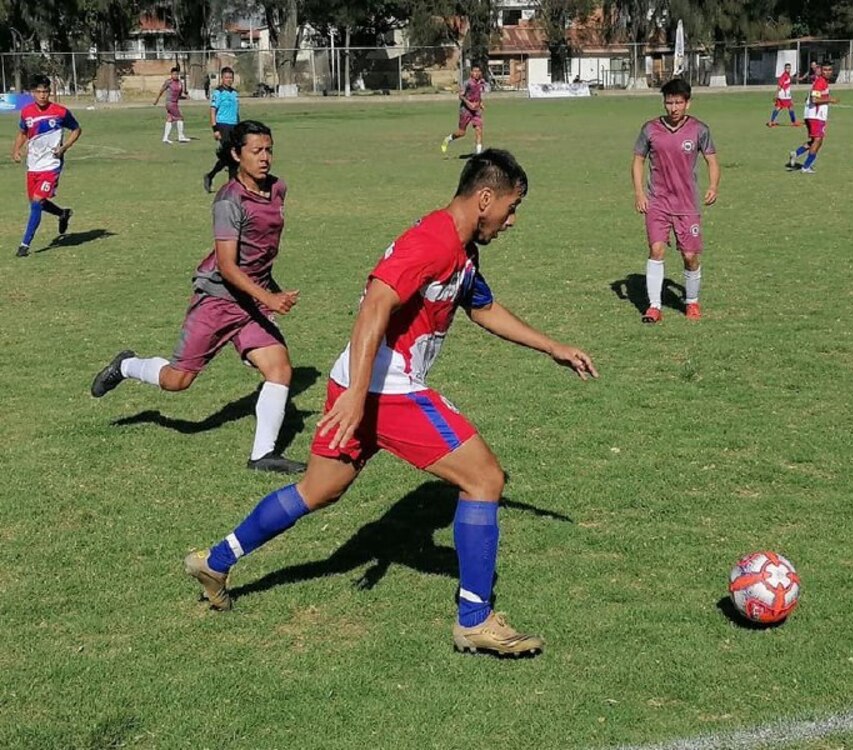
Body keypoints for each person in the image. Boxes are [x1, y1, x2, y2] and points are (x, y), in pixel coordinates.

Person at [183, 149, 598, 657]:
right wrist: (359, 396)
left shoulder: (463, 249)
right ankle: (474, 619)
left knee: (318, 489)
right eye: (511, 208)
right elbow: (376, 302)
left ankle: (217, 560)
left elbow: (483, 307)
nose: (512, 221)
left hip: (357, 384)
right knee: (485, 478)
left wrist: (552, 346)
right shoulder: (433, 241)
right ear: (485, 198)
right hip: (385, 387)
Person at [91, 120, 305, 475]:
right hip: (219, 300)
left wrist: (266, 293)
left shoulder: (278, 189)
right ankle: (126, 366)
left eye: (269, 150)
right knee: (177, 381)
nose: (265, 158)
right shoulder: (228, 201)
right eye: (256, 151)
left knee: (279, 368)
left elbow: (261, 252)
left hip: (250, 303)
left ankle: (262, 455)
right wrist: (268, 298)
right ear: (237, 155)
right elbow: (227, 265)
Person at [632, 78, 720, 323]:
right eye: (669, 102)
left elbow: (712, 160)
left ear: (687, 103)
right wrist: (639, 192)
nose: (673, 108)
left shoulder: (700, 130)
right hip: (658, 202)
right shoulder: (650, 129)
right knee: (656, 250)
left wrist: (713, 186)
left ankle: (691, 301)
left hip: (687, 204)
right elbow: (638, 160)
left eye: (678, 102)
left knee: (690, 256)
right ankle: (654, 306)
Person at [10, 75, 81, 258]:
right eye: (39, 92)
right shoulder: (26, 112)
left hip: (51, 164)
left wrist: (65, 147)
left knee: (36, 202)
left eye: (46, 91)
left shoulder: (60, 112)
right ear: (32, 93)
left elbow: (76, 129)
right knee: (37, 203)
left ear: (50, 92)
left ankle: (24, 244)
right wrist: (16, 150)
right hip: (33, 164)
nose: (42, 95)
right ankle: (62, 213)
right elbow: (22, 132)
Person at [788, 61, 838, 174]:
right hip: (815, 116)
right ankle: (806, 166)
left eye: (830, 70)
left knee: (815, 140)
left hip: (813, 115)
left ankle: (796, 153)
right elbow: (814, 100)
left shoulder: (823, 82)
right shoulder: (820, 82)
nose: (828, 72)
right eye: (825, 70)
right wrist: (830, 100)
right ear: (821, 70)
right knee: (818, 140)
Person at [204, 67, 240, 193]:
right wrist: (215, 129)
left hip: (234, 126)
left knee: (232, 157)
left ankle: (212, 176)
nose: (229, 80)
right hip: (223, 126)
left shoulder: (235, 93)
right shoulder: (218, 93)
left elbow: (236, 112)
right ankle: (226, 183)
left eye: (231, 77)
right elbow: (213, 111)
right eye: (226, 77)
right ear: (222, 78)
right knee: (230, 155)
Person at [441, 64, 487, 155]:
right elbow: (460, 95)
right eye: (475, 71)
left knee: (479, 129)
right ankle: (448, 139)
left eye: (478, 71)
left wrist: (480, 103)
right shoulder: (468, 83)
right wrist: (469, 103)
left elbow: (478, 94)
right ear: (471, 73)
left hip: (476, 110)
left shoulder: (481, 82)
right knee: (461, 133)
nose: (476, 73)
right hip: (465, 111)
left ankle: (478, 154)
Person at [153, 66, 190, 144]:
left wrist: (185, 97)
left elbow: (179, 95)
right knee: (180, 118)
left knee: (170, 119)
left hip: (175, 103)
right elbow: (161, 90)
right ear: (171, 74)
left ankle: (165, 138)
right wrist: (156, 100)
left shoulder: (180, 83)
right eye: (173, 74)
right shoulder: (169, 82)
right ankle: (181, 136)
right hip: (170, 103)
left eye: (176, 74)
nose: (175, 76)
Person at [768, 63, 799, 127]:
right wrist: (776, 95)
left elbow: (791, 78)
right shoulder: (783, 76)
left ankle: (771, 122)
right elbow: (779, 86)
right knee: (790, 107)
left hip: (784, 95)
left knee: (778, 107)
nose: (788, 69)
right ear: (785, 69)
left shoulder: (787, 75)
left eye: (789, 68)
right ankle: (794, 122)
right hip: (784, 96)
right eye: (787, 68)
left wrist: (799, 77)